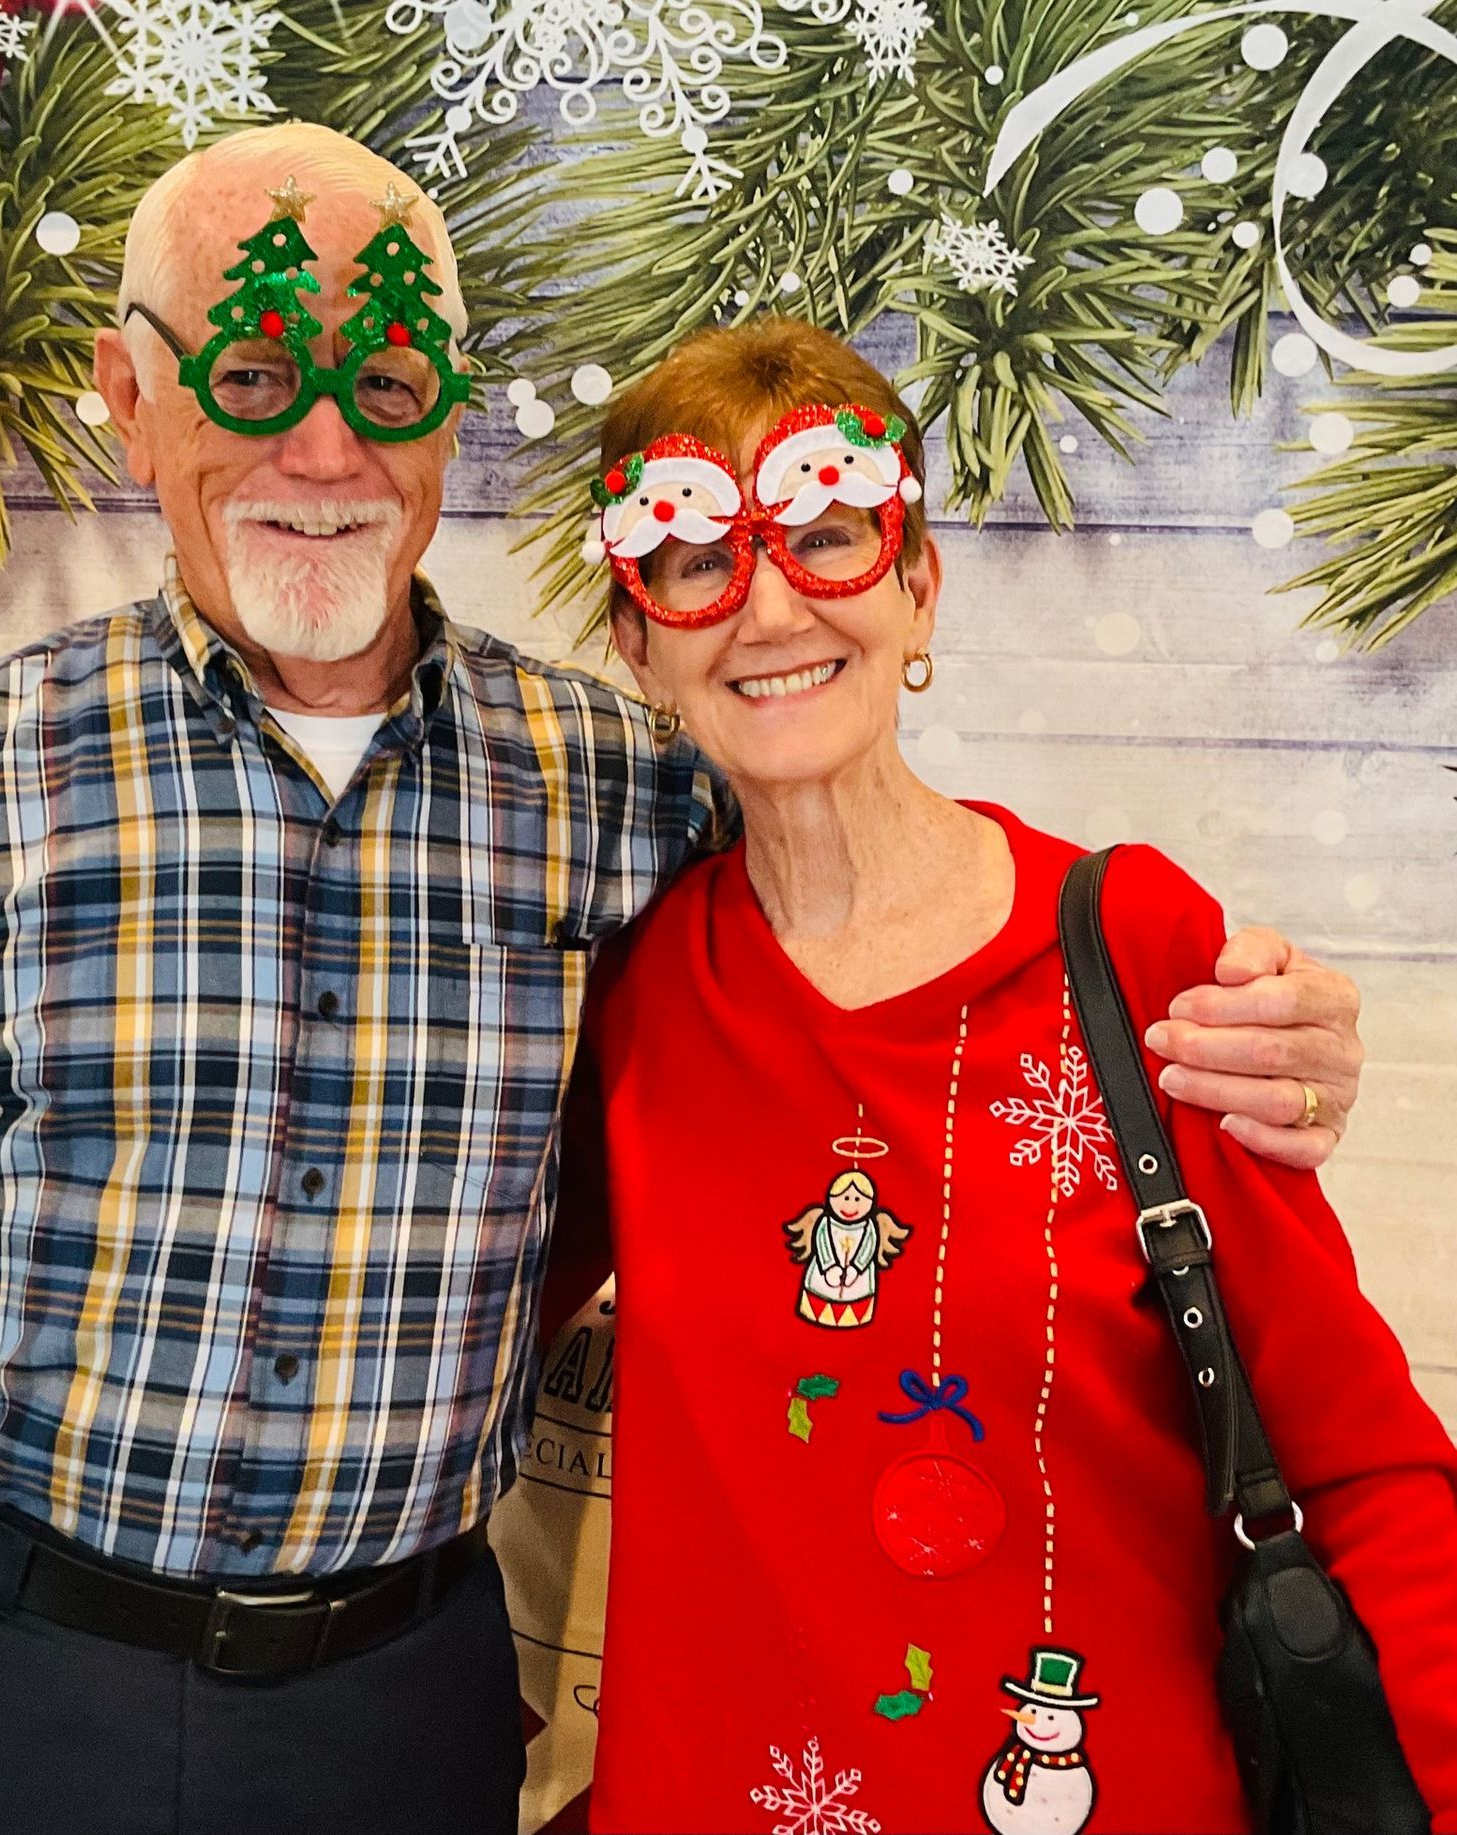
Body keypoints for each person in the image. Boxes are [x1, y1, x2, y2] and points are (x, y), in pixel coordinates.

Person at [0, 125, 1367, 1835]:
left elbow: (871, 980)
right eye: (249, 373)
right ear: (127, 392)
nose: (321, 448)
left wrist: (1252, 1028)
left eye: (386, 384)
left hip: (405, 1707)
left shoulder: (630, 794)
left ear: (452, 409)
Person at [548, 315, 1457, 1832]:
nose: (766, 605)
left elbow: (1360, 1460)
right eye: (697, 561)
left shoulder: (1132, 948)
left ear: (918, 587)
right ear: (640, 643)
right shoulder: (634, 993)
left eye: (827, 538)